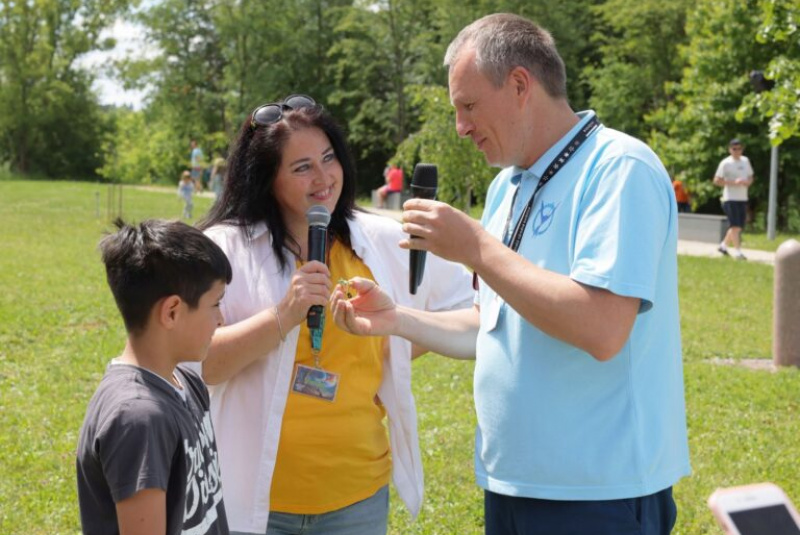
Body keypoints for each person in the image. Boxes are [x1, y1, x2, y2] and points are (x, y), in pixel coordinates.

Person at [331, 13, 690, 535]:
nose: (461, 126)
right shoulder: (508, 186)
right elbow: (492, 325)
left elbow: (603, 328)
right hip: (513, 484)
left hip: (599, 492)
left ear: (521, 84)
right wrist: (398, 319)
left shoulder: (617, 168)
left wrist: (475, 246)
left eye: (469, 105)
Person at [195, 94, 474, 535]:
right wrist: (284, 315)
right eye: (301, 167)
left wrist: (393, 342)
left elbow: (467, 305)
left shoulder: (380, 239)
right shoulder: (225, 249)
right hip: (254, 499)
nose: (323, 178)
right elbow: (200, 363)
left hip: (357, 495)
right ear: (268, 179)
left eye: (329, 158)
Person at [76, 218, 232, 535]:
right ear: (172, 311)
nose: (221, 318)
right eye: (215, 304)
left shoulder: (185, 382)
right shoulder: (139, 418)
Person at [714, 138, 753, 260]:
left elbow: (751, 177)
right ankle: (738, 251)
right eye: (734, 149)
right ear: (730, 149)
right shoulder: (725, 163)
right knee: (735, 226)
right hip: (730, 198)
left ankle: (723, 245)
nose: (737, 151)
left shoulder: (745, 161)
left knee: (738, 226)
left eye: (739, 148)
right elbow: (717, 180)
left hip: (742, 197)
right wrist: (733, 182)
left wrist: (747, 182)